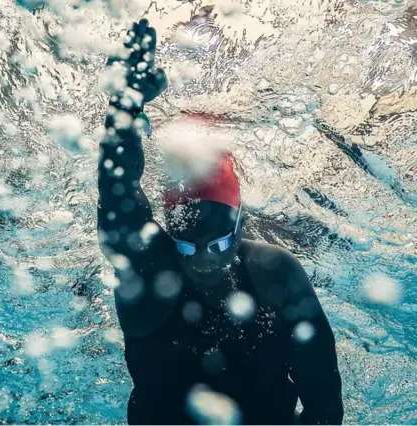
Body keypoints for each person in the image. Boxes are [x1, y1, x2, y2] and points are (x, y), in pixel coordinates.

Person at [97, 19, 344, 425]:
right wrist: (124, 109)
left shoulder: (275, 274)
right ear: (169, 232)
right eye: (185, 244)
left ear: (240, 227)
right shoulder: (149, 271)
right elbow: (118, 196)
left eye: (217, 244)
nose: (201, 260)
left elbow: (324, 403)